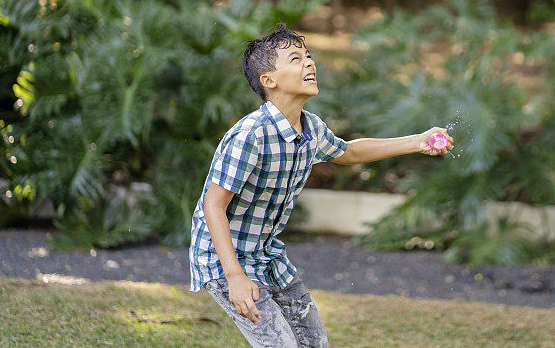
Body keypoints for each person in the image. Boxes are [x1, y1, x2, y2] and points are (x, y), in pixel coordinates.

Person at [188, 23, 453, 347]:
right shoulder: (251, 136)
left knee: (314, 342)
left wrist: (418, 141)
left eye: (309, 57)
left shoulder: (311, 129)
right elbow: (213, 205)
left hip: (266, 254)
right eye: (296, 59)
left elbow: (350, 151)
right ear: (269, 80)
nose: (310, 63)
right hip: (223, 258)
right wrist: (235, 276)